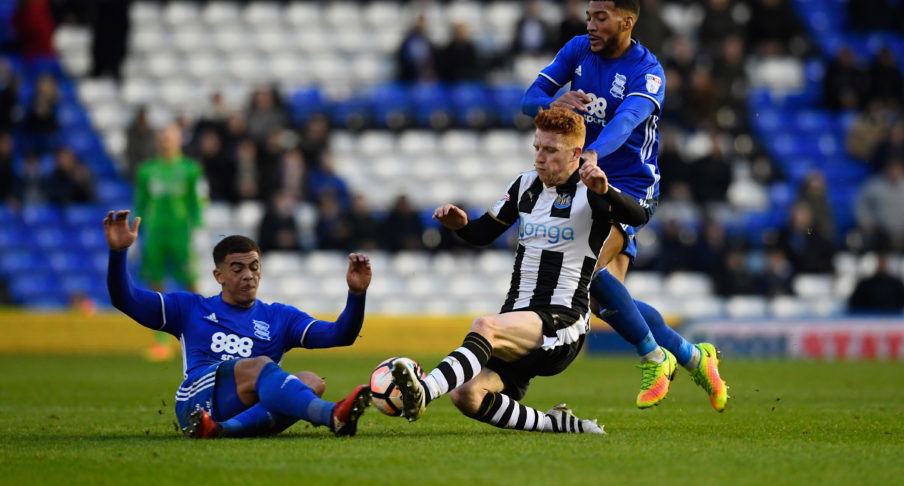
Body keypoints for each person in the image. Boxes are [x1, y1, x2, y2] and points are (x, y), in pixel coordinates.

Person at [520, 0, 728, 411]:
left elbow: (628, 120)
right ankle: (694, 357)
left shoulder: (646, 70)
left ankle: (656, 359)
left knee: (581, 272)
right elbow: (529, 100)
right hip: (583, 183)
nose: (591, 25)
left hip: (629, 188)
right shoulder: (578, 50)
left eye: (601, 17)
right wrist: (554, 100)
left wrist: (592, 152)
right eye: (589, 16)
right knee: (606, 297)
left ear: (626, 22)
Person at [390, 108, 645, 433]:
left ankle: (422, 392)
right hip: (520, 319)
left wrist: (606, 191)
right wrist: (461, 225)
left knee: (485, 326)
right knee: (467, 394)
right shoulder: (526, 185)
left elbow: (638, 217)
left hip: (562, 321)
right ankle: (558, 426)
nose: (540, 157)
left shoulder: (591, 191)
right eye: (537, 147)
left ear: (575, 154)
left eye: (550, 150)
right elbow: (482, 233)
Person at [104, 210, 372, 438]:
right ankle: (331, 414)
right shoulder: (189, 308)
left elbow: (340, 335)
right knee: (261, 365)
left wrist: (357, 295)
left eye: (254, 267)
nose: (248, 276)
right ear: (219, 275)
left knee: (311, 381)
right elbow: (126, 298)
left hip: (243, 403)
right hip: (196, 401)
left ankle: (222, 430)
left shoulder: (279, 317)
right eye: (238, 269)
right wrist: (118, 254)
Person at [134, 124, 205, 361]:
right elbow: (141, 203)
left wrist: (199, 230)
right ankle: (161, 342)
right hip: (155, 233)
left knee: (191, 283)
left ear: (179, 141)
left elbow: (197, 202)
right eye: (162, 137)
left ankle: (203, 334)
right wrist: (135, 233)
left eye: (170, 137)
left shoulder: (190, 169)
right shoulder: (147, 170)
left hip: (181, 233)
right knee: (156, 286)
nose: (165, 141)